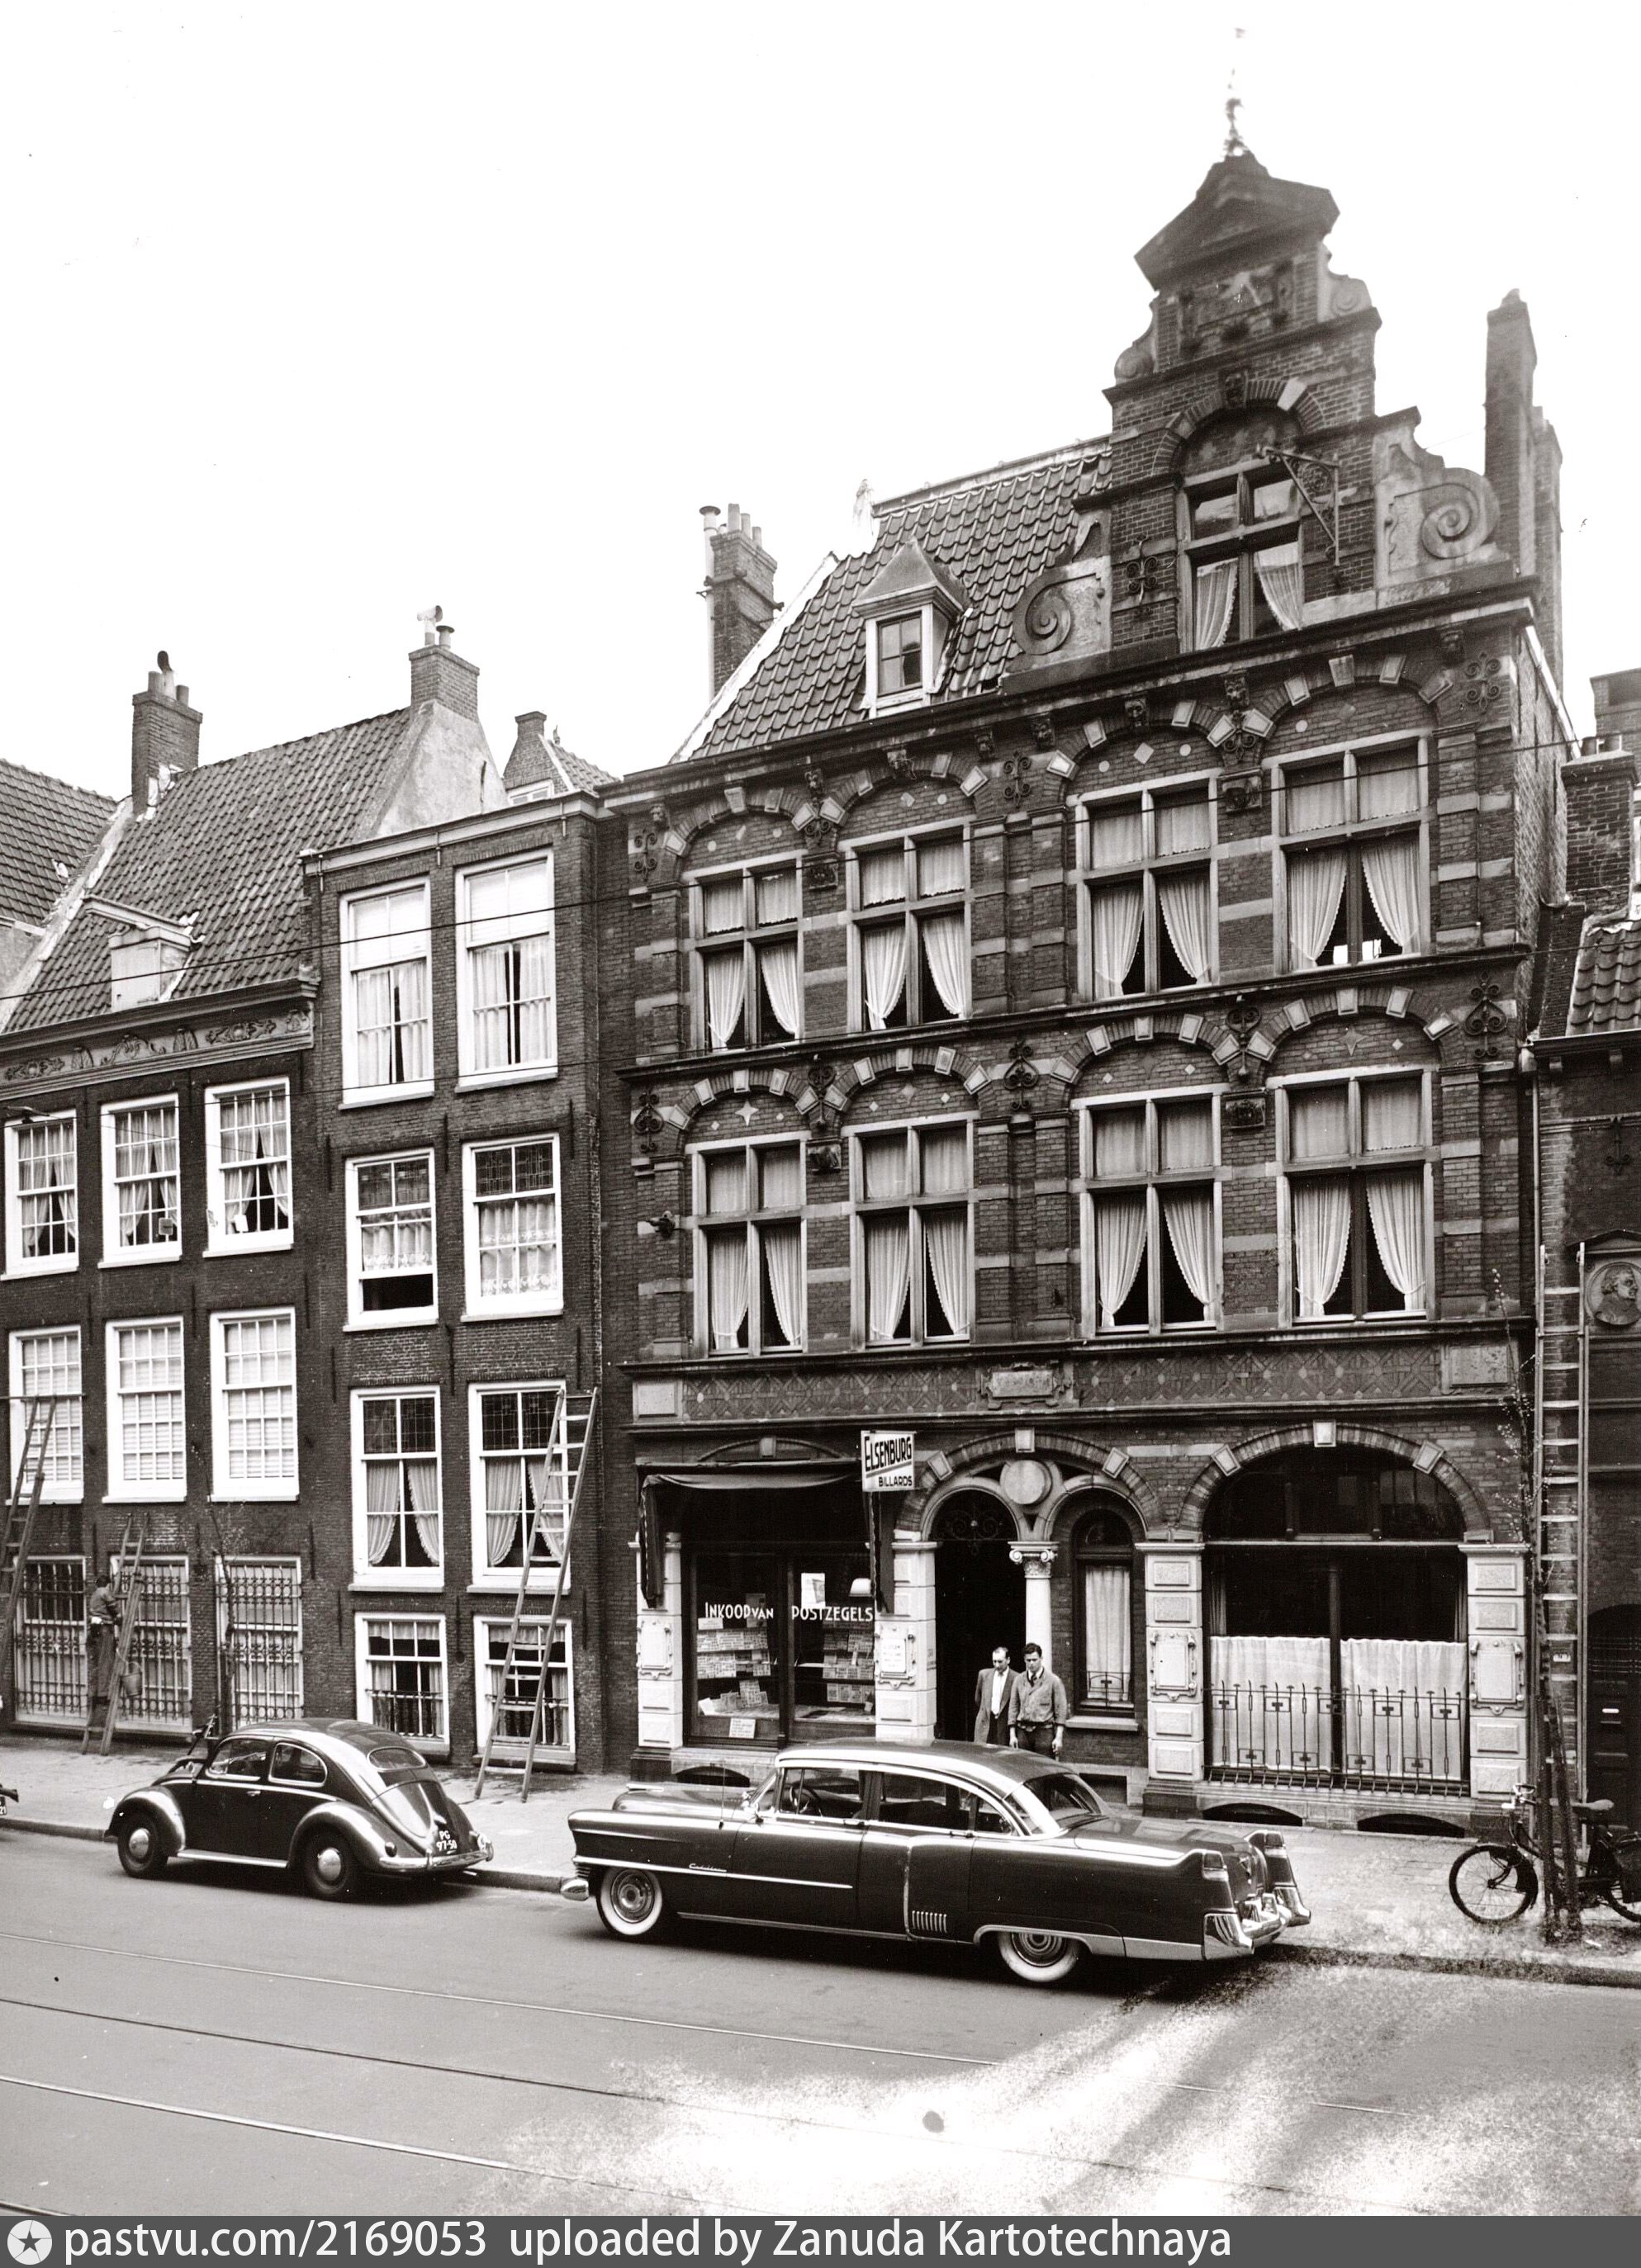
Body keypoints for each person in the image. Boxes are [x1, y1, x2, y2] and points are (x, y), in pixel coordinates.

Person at [86, 1567, 137, 1734]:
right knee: (106, 1661)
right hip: (104, 1630)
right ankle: (104, 1693)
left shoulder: (94, 1594)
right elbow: (113, 1606)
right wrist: (119, 1617)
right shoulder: (104, 1592)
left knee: (98, 1661)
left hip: (95, 1630)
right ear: (107, 1584)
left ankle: (95, 1691)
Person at [1008, 1641, 1069, 1757]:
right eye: (1028, 1660)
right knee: (1022, 1764)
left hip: (1044, 1732)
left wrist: (1058, 1738)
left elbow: (1060, 1711)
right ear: (1024, 1660)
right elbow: (1013, 1707)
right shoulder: (1019, 1680)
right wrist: (1012, 1735)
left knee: (1043, 1764)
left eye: (1034, 1660)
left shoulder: (1053, 1681)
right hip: (1023, 1732)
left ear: (1041, 1659)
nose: (1031, 1663)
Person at [971, 1645, 1017, 1745]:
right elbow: (978, 1699)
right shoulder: (984, 1675)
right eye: (994, 1661)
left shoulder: (1016, 1678)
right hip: (986, 1723)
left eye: (1000, 1662)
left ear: (1008, 1660)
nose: (997, 1665)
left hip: (1004, 1725)